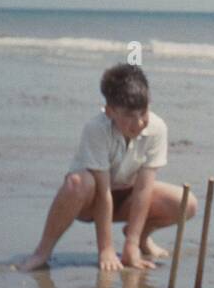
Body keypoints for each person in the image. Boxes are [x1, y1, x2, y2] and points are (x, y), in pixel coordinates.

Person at [21, 63, 194, 272]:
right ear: (110, 111)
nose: (138, 123)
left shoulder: (157, 128)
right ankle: (42, 251)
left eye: (143, 112)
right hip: (89, 200)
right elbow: (103, 193)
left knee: (187, 202)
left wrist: (130, 245)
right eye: (129, 116)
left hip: (128, 198)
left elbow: (143, 190)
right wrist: (107, 249)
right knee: (77, 183)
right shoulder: (96, 129)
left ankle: (140, 239)